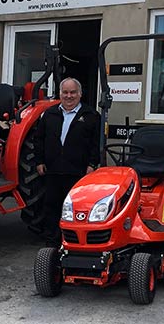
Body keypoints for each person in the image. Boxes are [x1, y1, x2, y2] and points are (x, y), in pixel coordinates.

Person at [33, 77, 102, 246]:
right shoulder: (50, 114)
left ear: (80, 94)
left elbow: (96, 143)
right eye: (65, 92)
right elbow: (39, 139)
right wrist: (39, 161)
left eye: (73, 92)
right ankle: (51, 243)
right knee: (51, 207)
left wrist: (92, 165)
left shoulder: (91, 116)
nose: (69, 96)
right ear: (60, 94)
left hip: (78, 173)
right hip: (53, 171)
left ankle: (74, 242)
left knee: (76, 209)